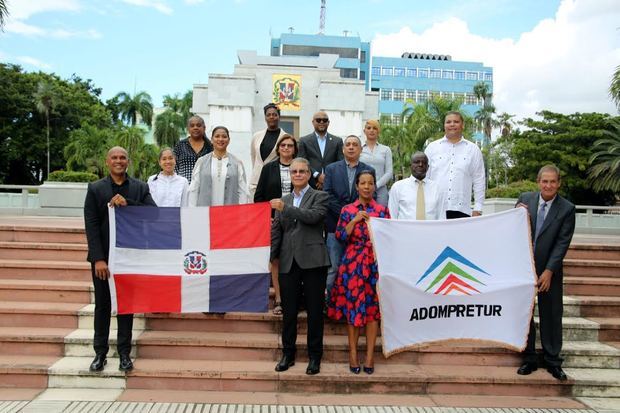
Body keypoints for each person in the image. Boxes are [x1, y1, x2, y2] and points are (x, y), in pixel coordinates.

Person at [84, 146, 156, 372]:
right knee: (103, 306)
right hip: (103, 259)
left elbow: (154, 214)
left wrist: (129, 203)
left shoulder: (139, 187)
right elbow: (91, 225)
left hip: (130, 257)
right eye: (114, 157)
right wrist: (98, 259)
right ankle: (100, 353)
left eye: (122, 157)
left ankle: (124, 353)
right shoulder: (95, 188)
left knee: (126, 306)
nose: (118, 161)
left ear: (128, 161)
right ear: (107, 162)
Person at [270, 157, 331, 375]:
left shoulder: (320, 196)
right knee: (289, 313)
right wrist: (270, 256)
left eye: (302, 171)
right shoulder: (283, 199)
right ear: (290, 174)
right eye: (294, 171)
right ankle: (288, 354)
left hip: (314, 260)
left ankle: (315, 357)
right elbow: (277, 230)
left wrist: (285, 208)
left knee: (315, 312)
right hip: (288, 261)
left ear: (308, 174)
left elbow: (313, 217)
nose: (297, 174)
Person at [516, 164, 575, 382]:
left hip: (550, 270)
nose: (548, 185)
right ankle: (529, 358)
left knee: (551, 314)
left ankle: (552, 361)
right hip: (524, 267)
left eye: (552, 181)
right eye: (544, 181)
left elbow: (562, 243)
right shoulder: (525, 199)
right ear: (538, 182)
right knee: (525, 312)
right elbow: (514, 227)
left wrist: (549, 271)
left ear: (559, 183)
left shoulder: (567, 209)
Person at [327, 170, 389, 375]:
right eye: (363, 183)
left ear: (374, 187)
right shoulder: (347, 209)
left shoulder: (381, 211)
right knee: (353, 311)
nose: (367, 187)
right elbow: (339, 236)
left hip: (374, 264)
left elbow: (389, 239)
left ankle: (370, 356)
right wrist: (354, 221)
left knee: (372, 313)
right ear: (356, 186)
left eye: (370, 183)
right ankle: (353, 354)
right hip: (353, 265)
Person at [323, 135, 374, 301]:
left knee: (355, 268)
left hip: (360, 230)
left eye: (355, 144)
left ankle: (351, 304)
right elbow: (327, 195)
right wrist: (348, 213)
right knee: (334, 268)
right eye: (348, 144)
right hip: (334, 226)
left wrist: (355, 216)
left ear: (361, 149)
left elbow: (368, 196)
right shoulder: (331, 169)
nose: (351, 147)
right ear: (343, 149)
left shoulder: (369, 170)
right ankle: (330, 305)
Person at [254, 134, 298, 315]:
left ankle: (295, 299)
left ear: (294, 149)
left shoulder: (301, 167)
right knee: (276, 260)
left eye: (290, 146)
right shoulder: (268, 168)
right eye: (283, 145)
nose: (286, 148)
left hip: (297, 219)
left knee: (296, 260)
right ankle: (279, 299)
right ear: (278, 148)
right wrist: (266, 216)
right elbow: (259, 197)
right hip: (274, 221)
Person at [424, 111, 485, 219]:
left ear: (462, 125)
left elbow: (479, 180)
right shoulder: (432, 148)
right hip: (434, 210)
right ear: (444, 125)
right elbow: (425, 178)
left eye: (456, 122)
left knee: (460, 237)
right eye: (448, 122)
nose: (452, 124)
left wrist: (478, 208)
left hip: (461, 210)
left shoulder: (473, 149)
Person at [188, 126, 248, 206]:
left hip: (230, 213)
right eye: (217, 136)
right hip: (206, 214)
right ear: (212, 140)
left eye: (224, 136)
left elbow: (243, 191)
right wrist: (192, 211)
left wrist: (242, 212)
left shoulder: (237, 163)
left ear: (229, 140)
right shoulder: (201, 162)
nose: (220, 139)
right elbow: (194, 190)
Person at [388, 152, 445, 220]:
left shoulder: (437, 188)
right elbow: (392, 215)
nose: (420, 165)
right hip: (404, 230)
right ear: (410, 165)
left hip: (431, 229)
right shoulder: (397, 187)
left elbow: (442, 216)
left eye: (424, 162)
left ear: (428, 167)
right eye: (416, 162)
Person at [249, 103, 289, 199]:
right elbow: (254, 158)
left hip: (274, 181)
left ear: (279, 117)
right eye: (268, 115)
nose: (272, 117)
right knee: (257, 210)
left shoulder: (285, 137)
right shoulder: (256, 136)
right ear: (265, 117)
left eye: (275, 114)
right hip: (256, 180)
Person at [298, 111, 343, 189]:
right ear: (313, 122)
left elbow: (340, 163)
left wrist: (326, 178)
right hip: (310, 183)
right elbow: (302, 162)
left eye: (325, 120)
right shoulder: (304, 140)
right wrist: (317, 175)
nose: (321, 122)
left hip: (332, 183)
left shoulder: (337, 141)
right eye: (318, 120)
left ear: (328, 122)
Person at [360, 119, 393, 206]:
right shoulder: (359, 148)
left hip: (380, 190)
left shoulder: (386, 149)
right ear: (364, 131)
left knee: (380, 216)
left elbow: (389, 172)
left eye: (375, 128)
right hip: (362, 189)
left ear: (378, 131)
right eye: (369, 128)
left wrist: (376, 185)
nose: (371, 130)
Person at [173, 115, 214, 182]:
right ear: (188, 129)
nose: (195, 128)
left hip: (204, 187)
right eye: (192, 126)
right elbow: (174, 167)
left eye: (198, 125)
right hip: (184, 187)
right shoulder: (180, 145)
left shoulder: (210, 146)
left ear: (204, 128)